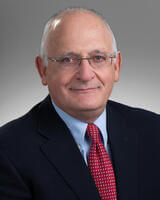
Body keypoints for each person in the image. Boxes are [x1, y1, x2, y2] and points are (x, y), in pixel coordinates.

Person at [0, 8, 160, 200]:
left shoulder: (154, 131)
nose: (85, 75)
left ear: (116, 66)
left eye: (98, 58)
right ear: (43, 70)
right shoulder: (7, 151)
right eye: (68, 59)